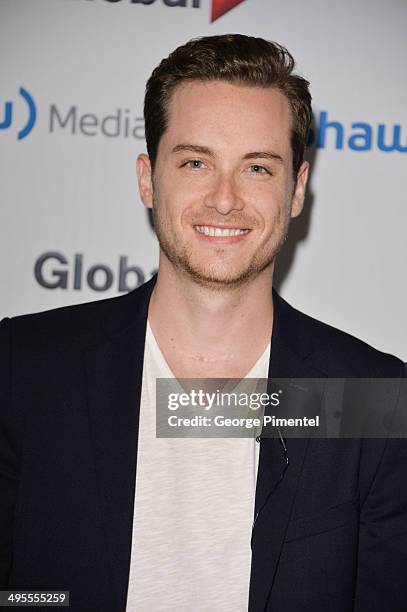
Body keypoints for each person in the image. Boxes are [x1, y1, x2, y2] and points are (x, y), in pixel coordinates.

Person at [0, 34, 406, 612]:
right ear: (147, 178)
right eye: (195, 162)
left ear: (296, 191)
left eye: (258, 168)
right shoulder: (24, 369)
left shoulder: (375, 399)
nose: (224, 199)